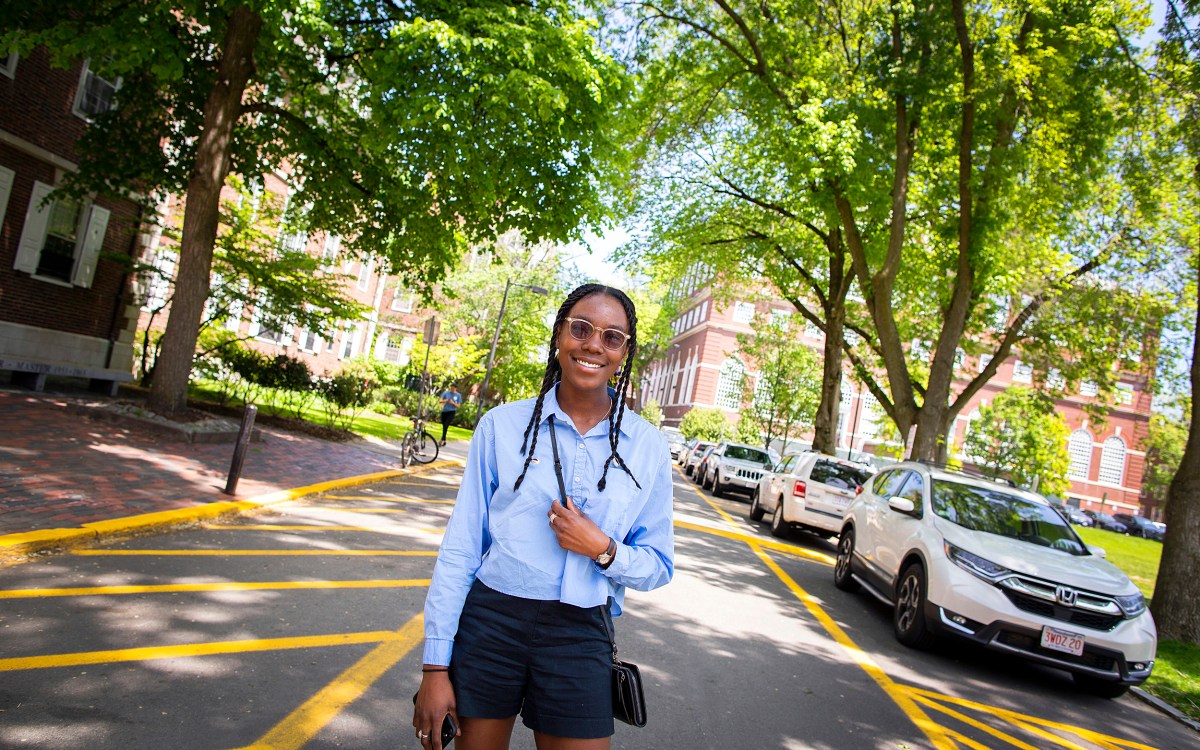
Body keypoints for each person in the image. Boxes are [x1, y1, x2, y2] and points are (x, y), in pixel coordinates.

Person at [412, 283, 675, 750]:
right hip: (491, 622)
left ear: (624, 352)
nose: (594, 344)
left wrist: (605, 550)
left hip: (580, 632)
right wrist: (435, 667)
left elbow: (659, 565)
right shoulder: (501, 426)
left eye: (612, 337)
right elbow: (461, 548)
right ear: (558, 335)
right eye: (581, 329)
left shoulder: (648, 446)